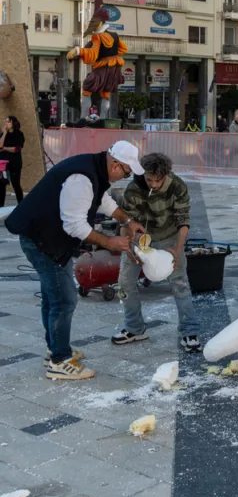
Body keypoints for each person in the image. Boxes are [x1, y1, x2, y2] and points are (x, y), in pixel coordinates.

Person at [5, 141, 145, 380]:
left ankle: (55, 349)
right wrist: (110, 243)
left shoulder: (95, 169)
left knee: (53, 297)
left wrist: (127, 221)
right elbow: (74, 225)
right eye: (126, 172)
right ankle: (60, 361)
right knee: (63, 300)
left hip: (47, 239)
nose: (125, 176)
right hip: (42, 242)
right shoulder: (82, 177)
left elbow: (101, 201)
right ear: (115, 165)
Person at [112, 151, 202, 352]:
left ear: (166, 176)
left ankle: (189, 331)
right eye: (149, 179)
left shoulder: (177, 186)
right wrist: (128, 246)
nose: (153, 184)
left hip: (169, 236)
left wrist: (177, 250)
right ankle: (135, 328)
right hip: (139, 239)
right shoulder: (134, 188)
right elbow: (126, 220)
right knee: (125, 282)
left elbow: (183, 220)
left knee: (180, 283)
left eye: (157, 181)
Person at [0, 116, 25, 206]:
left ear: (13, 123)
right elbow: (0, 146)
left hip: (14, 163)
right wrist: (4, 133)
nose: (6, 123)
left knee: (16, 184)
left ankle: (21, 205)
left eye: (8, 122)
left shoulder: (19, 134)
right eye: (5, 121)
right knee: (1, 185)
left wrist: (5, 148)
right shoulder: (3, 134)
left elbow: (17, 149)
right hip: (3, 163)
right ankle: (1, 206)